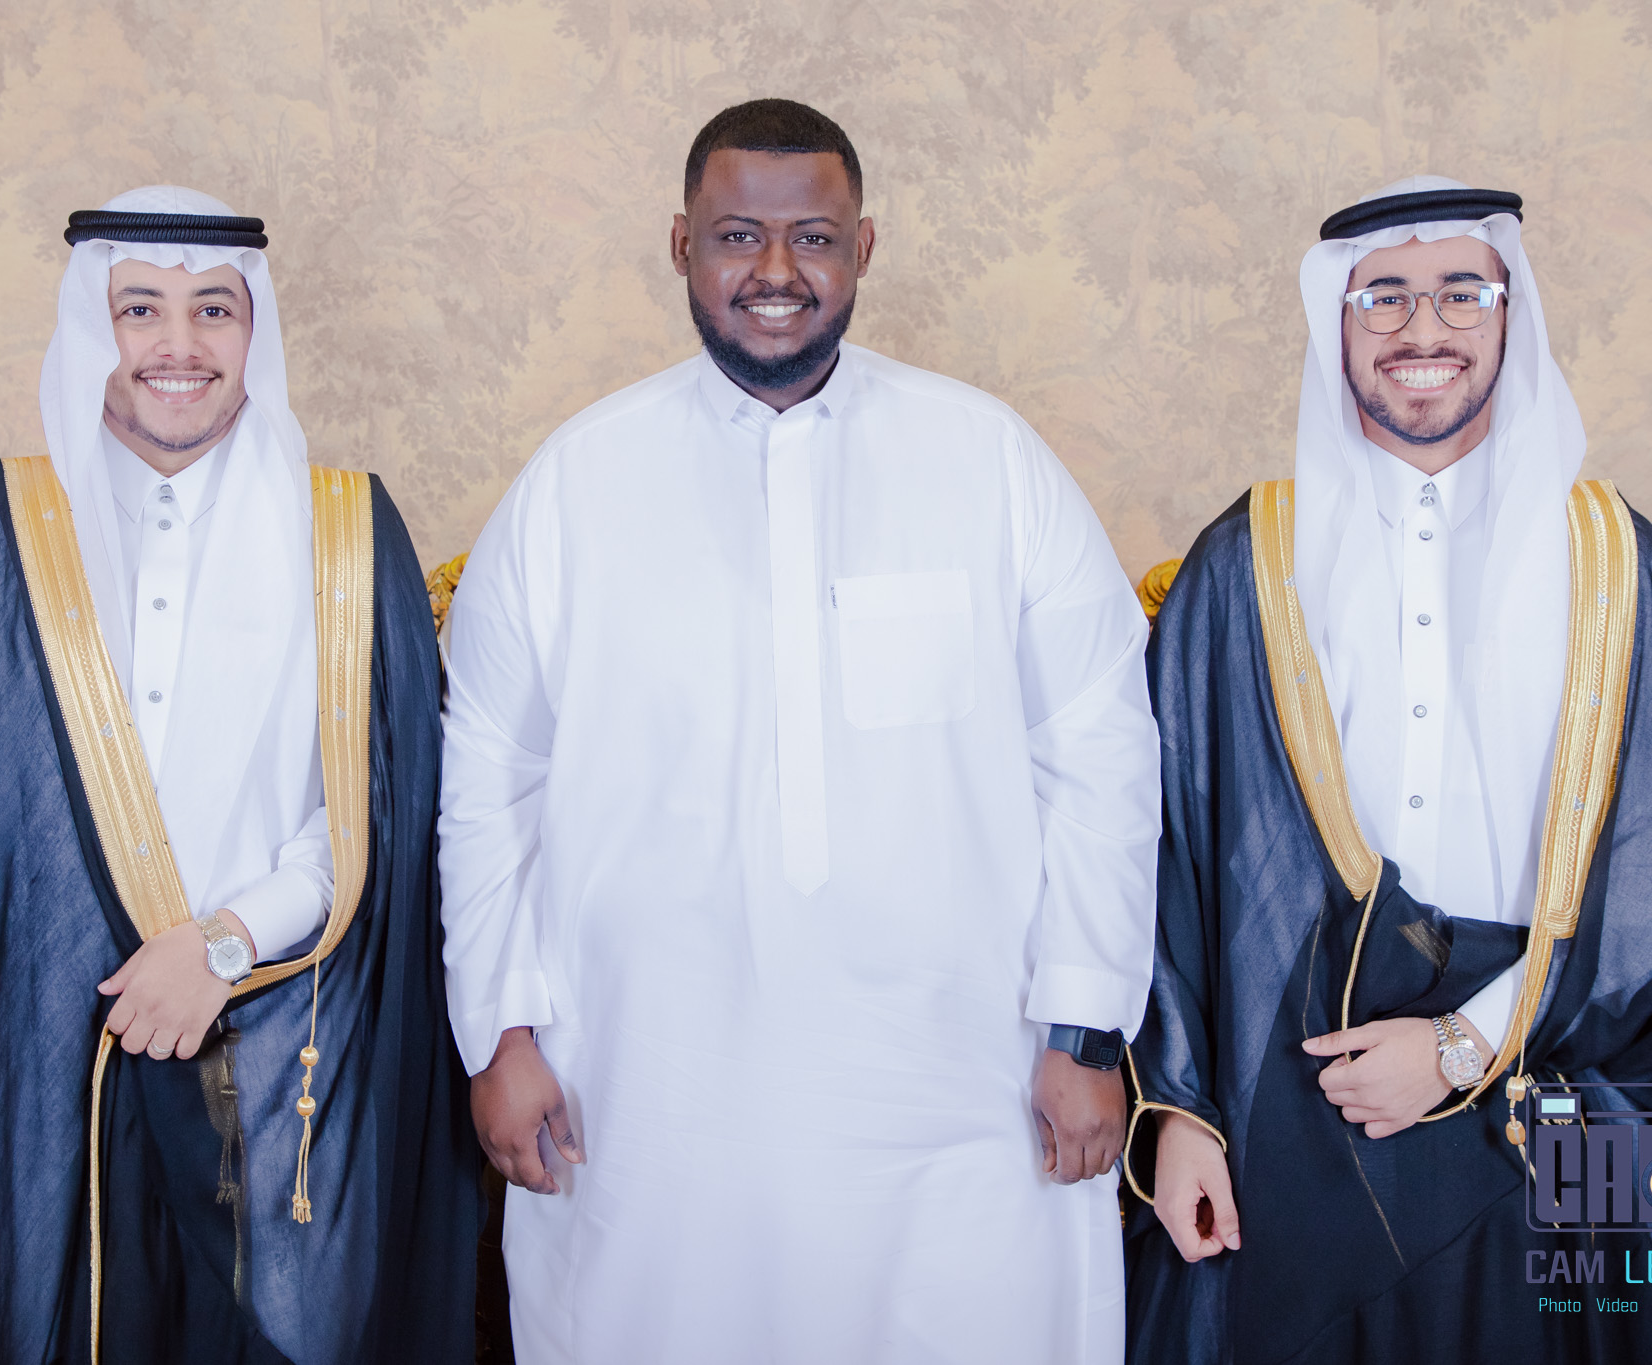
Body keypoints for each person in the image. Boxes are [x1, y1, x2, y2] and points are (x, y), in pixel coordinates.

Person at [439, 99, 1162, 1363]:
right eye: (737, 236)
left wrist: (1085, 1030)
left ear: (862, 248)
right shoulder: (573, 483)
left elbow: (1098, 754)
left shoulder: (989, 461)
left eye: (812, 238)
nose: (774, 271)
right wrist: (498, 1035)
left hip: (963, 1086)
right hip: (645, 1088)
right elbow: (490, 780)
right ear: (680, 244)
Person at [0, 186, 481, 1364]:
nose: (177, 345)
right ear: (91, 327)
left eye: (213, 311)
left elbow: (382, 817)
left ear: (256, 330)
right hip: (18, 1067)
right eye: (139, 308)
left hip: (271, 1071)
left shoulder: (346, 537)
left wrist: (223, 945)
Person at [1125, 177, 1652, 1362]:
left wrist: (1463, 1046)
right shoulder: (1244, 564)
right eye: (1382, 297)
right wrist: (1178, 1114)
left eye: (1458, 294)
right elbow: (1160, 853)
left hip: (1562, 1081)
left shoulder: (1614, 565)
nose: (1421, 329)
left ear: (1507, 313)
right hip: (1300, 1096)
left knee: (1601, 1318)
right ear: (1336, 324)